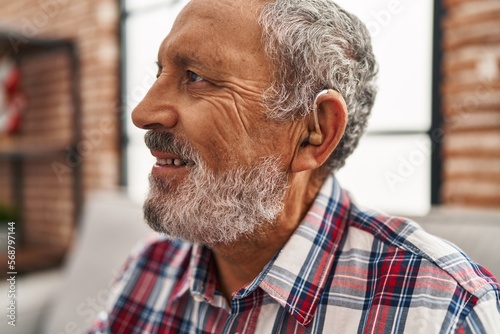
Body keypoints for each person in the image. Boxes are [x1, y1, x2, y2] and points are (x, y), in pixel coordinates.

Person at [89, 0, 500, 332]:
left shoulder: (445, 310)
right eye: (160, 72)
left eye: (195, 76)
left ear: (313, 131)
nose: (142, 112)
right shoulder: (149, 268)